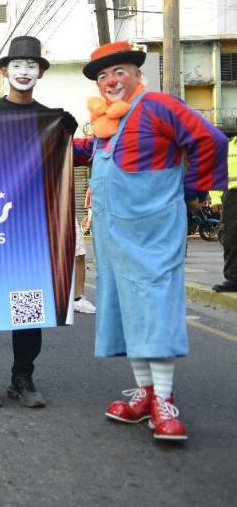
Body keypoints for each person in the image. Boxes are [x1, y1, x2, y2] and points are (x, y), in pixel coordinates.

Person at [74, 41, 227, 442]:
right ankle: (145, 395)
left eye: (118, 71)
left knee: (154, 308)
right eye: (103, 76)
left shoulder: (160, 106)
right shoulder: (107, 125)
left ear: (137, 74)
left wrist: (193, 190)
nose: (110, 81)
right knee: (128, 312)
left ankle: (164, 400)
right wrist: (45, 136)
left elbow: (211, 140)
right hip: (113, 237)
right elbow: (88, 151)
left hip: (152, 234)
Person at [0, 36, 52, 409]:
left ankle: (23, 376)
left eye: (31, 66)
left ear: (40, 73)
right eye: (16, 65)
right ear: (4, 71)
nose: (24, 72)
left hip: (30, 227)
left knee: (28, 305)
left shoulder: (50, 118)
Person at [212, 135, 237, 292]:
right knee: (230, 237)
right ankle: (233, 279)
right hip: (231, 196)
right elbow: (217, 172)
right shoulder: (228, 146)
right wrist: (215, 198)